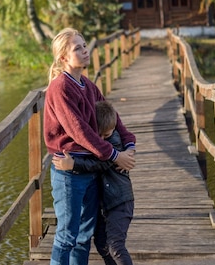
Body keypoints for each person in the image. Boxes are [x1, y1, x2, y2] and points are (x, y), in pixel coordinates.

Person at [44, 27, 136, 265]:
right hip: (69, 171)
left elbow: (113, 116)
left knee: (84, 237)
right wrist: (115, 154)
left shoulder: (87, 84)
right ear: (63, 57)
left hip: (90, 167)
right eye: (78, 48)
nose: (85, 51)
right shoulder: (60, 87)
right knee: (67, 236)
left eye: (84, 46)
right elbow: (79, 131)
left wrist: (129, 144)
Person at [53, 100, 134, 265]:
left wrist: (73, 164)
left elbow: (100, 163)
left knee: (115, 246)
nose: (104, 140)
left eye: (107, 135)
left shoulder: (115, 141)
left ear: (114, 128)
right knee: (102, 245)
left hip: (119, 201)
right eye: (100, 135)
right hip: (106, 203)